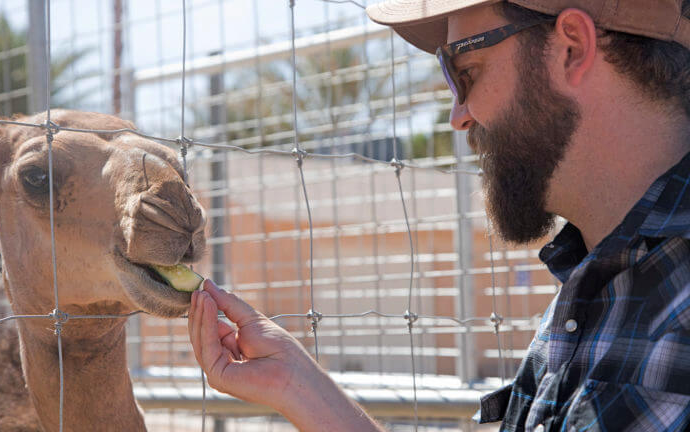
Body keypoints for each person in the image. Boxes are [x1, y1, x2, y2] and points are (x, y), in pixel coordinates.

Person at [188, 0, 690, 430]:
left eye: (463, 70)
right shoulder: (598, 279)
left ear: (571, 48)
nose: (457, 115)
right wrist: (294, 384)